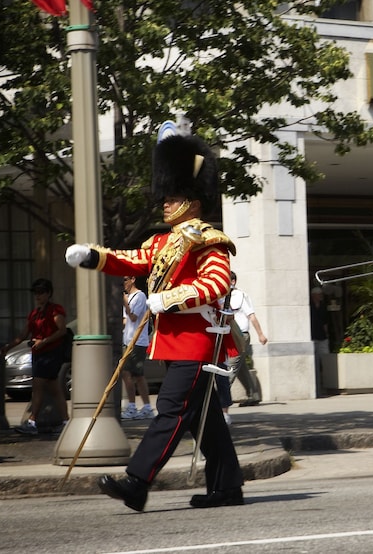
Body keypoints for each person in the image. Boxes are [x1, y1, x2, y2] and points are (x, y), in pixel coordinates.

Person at [65, 133, 243, 511]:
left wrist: (170, 299)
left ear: (192, 202)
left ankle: (137, 480)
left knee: (172, 410)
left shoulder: (211, 240)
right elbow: (130, 260)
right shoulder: (162, 242)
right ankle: (227, 487)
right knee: (204, 419)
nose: (165, 202)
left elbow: (215, 284)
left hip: (198, 341)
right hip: (175, 343)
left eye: (173, 197)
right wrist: (93, 257)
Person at [9, 278, 69, 435]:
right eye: (36, 293)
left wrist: (44, 341)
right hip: (38, 354)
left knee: (38, 388)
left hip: (50, 354)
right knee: (55, 390)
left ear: (49, 293)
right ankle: (66, 421)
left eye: (41, 292)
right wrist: (7, 347)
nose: (38, 296)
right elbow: (23, 334)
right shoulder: (34, 314)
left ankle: (32, 422)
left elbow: (62, 330)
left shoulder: (55, 310)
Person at [225, 272, 267, 406]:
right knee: (241, 368)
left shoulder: (240, 295)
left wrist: (260, 334)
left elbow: (251, 316)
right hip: (229, 335)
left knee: (231, 367)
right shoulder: (222, 296)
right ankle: (253, 395)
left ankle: (220, 399)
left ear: (233, 282)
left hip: (240, 336)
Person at [119, 276, 154, 420]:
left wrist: (125, 302)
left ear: (133, 279)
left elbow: (133, 317)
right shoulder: (129, 297)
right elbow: (126, 320)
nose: (124, 283)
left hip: (138, 341)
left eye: (125, 279)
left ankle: (136, 407)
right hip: (128, 340)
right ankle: (144, 407)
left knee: (131, 373)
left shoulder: (139, 296)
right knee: (133, 375)